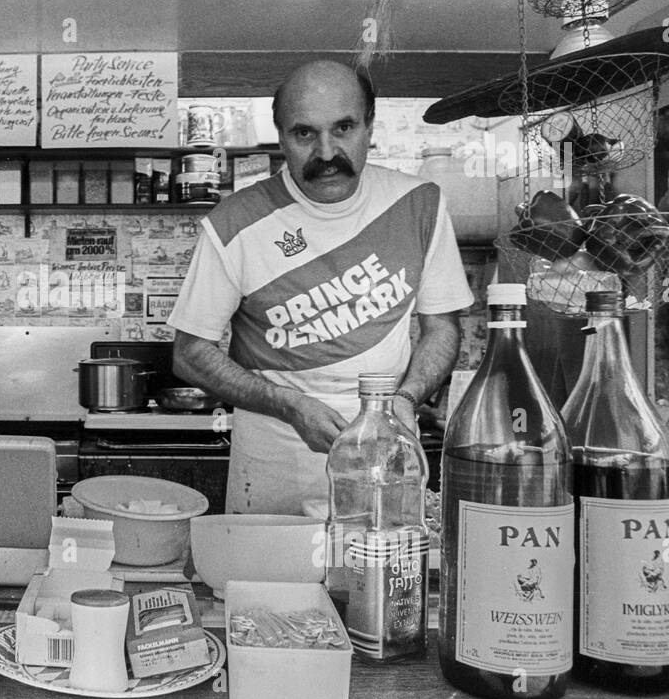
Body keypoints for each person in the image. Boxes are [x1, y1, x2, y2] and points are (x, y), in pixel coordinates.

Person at [169, 61, 473, 515]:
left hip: (385, 450)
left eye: (344, 128)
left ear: (370, 125)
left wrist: (406, 399)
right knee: (268, 585)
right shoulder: (232, 224)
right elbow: (189, 353)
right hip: (274, 459)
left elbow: (442, 327)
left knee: (382, 580)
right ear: (280, 136)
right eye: (304, 134)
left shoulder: (419, 204)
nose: (327, 152)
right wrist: (290, 406)